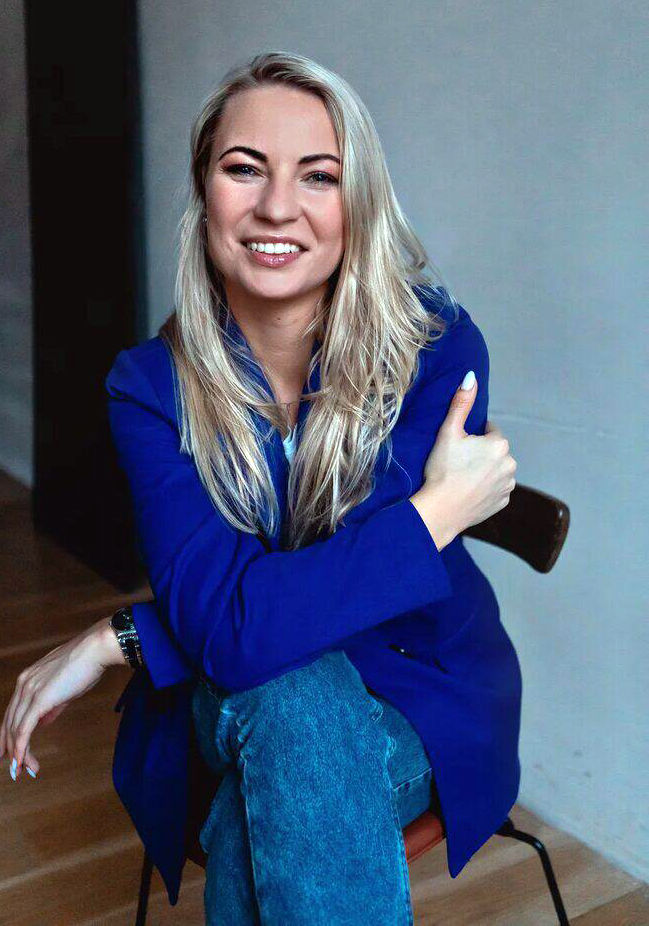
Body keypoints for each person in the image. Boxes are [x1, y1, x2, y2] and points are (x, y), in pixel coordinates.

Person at [0, 51, 521, 924]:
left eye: (318, 176)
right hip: (233, 692)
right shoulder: (148, 387)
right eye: (245, 168)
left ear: (357, 202)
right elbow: (241, 634)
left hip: (416, 695)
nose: (278, 207)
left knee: (276, 754)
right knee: (291, 692)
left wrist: (124, 638)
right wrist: (433, 516)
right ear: (203, 189)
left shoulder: (434, 350)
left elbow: (274, 619)